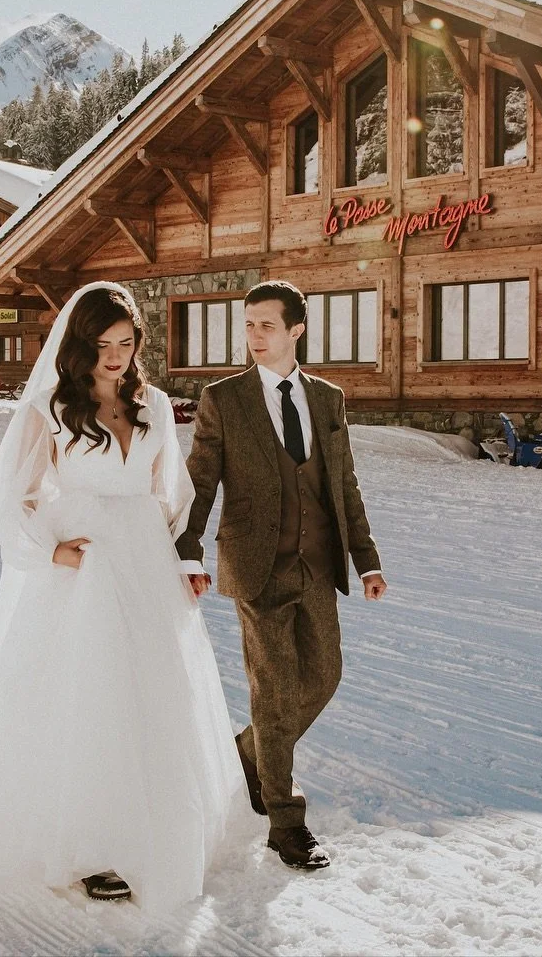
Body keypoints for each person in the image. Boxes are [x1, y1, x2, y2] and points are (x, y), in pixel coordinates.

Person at [0, 281, 243, 907]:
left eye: (126, 343)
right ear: (79, 343)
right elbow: (15, 493)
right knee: (88, 698)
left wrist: (181, 560)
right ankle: (86, 845)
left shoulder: (158, 406)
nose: (115, 357)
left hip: (142, 559)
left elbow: (174, 496)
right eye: (103, 344)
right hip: (82, 565)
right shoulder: (53, 408)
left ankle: (161, 830)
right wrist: (45, 549)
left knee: (153, 693)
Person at [178, 279, 387, 871]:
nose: (255, 336)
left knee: (324, 676)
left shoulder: (327, 399)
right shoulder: (225, 398)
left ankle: (249, 750)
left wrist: (367, 558)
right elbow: (200, 482)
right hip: (257, 567)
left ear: (296, 329)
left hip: (318, 563)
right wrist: (187, 550)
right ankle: (284, 820)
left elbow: (342, 483)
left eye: (266, 325)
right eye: (248, 325)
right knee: (272, 690)